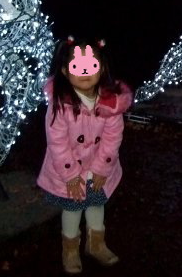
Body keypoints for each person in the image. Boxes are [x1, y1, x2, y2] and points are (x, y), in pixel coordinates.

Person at [37, 36, 132, 274]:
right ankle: (70, 249)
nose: (85, 72)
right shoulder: (60, 104)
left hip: (98, 168)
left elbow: (113, 136)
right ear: (65, 71)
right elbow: (57, 142)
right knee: (72, 208)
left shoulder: (110, 102)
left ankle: (96, 244)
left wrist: (102, 168)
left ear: (102, 69)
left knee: (97, 204)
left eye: (91, 66)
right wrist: (71, 175)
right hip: (68, 170)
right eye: (77, 67)